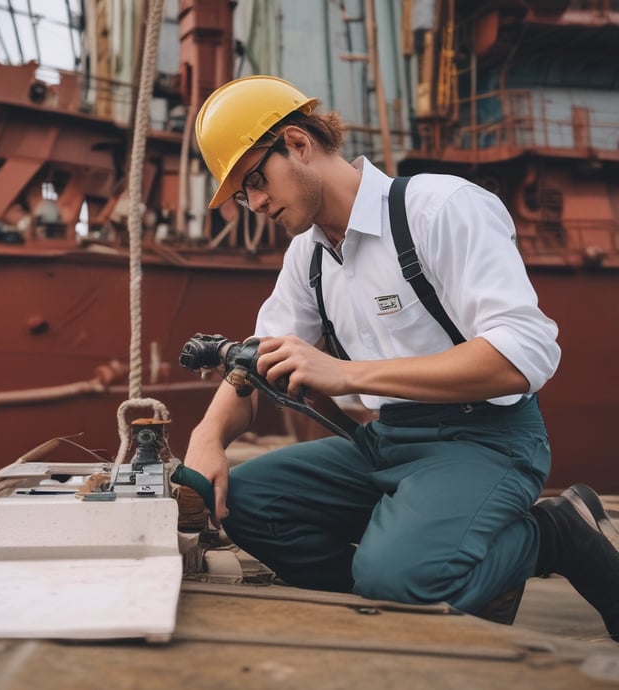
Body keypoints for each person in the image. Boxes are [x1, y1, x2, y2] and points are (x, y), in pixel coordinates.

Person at [184, 75, 619, 639]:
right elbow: (254, 363)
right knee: (246, 501)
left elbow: (523, 354)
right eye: (244, 196)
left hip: (484, 439)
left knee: (397, 578)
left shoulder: (441, 208)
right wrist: (207, 438)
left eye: (254, 181)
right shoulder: (308, 257)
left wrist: (345, 374)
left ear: (296, 143)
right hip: (386, 442)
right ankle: (396, 602)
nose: (256, 203)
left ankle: (552, 534)